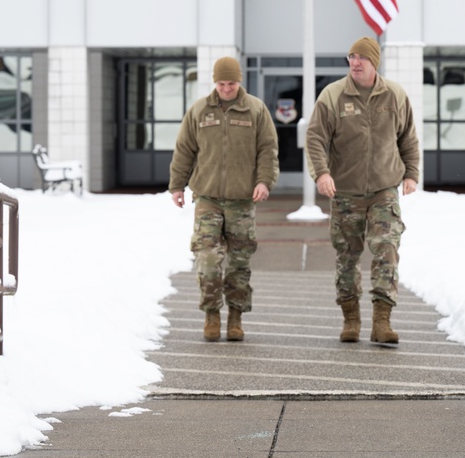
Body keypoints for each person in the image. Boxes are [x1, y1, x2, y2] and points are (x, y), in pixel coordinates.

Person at [305, 37, 419, 344]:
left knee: (386, 250)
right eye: (351, 56)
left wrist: (411, 174)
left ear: (374, 62)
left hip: (384, 190)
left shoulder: (394, 95)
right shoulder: (333, 95)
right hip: (345, 192)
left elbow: (408, 137)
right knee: (347, 256)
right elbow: (315, 138)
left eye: (362, 58)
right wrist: (322, 173)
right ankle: (351, 319)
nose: (355, 62)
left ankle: (382, 321)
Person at [169, 56, 279, 342]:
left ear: (239, 81)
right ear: (214, 83)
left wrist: (264, 181)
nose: (227, 88)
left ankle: (235, 318)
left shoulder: (255, 109)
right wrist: (177, 185)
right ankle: (211, 315)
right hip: (208, 198)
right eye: (221, 83)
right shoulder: (199, 111)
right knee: (207, 258)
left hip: (242, 201)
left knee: (239, 264)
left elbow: (268, 149)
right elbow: (184, 150)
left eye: (231, 83)